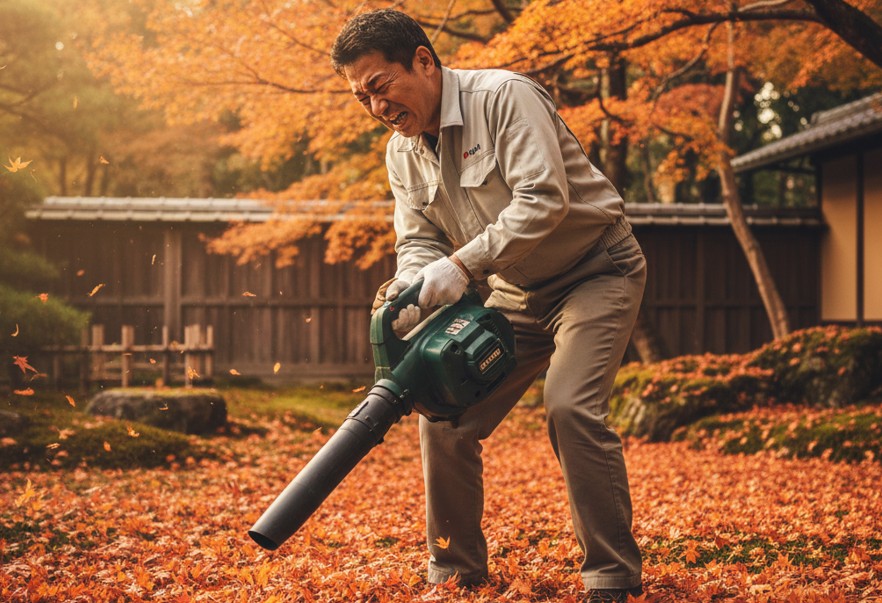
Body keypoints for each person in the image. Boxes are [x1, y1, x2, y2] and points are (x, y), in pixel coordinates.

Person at [331, 9, 646, 603]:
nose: (375, 108)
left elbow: (543, 199)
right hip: (515, 292)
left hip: (596, 270)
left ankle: (611, 577)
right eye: (361, 97)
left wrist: (460, 266)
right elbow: (418, 240)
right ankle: (456, 574)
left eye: (379, 87)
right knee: (442, 412)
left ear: (423, 61)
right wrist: (410, 286)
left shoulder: (503, 97)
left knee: (571, 407)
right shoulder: (401, 153)